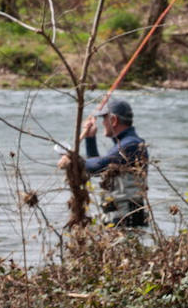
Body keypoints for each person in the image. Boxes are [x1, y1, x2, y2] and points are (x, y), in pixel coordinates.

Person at [58, 96, 150, 228]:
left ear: (113, 120)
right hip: (121, 220)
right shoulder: (128, 144)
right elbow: (100, 170)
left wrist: (73, 159)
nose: (102, 123)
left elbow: (95, 166)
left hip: (128, 222)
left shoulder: (131, 145)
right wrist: (90, 139)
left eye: (104, 119)